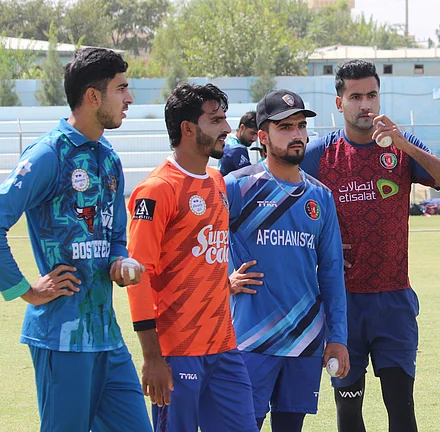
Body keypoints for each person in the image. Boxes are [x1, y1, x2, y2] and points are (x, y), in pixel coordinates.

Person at [300, 59, 440, 432]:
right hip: (341, 305)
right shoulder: (319, 155)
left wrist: (405, 144)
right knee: (348, 414)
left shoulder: (401, 149)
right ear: (338, 102)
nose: (366, 105)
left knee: (402, 412)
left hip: (394, 301)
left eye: (372, 95)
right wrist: (314, 253)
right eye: (356, 96)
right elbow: (284, 200)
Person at [0, 48, 151, 431]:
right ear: (93, 96)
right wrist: (26, 290)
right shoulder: (49, 154)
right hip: (61, 340)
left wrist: (121, 262)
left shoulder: (109, 159)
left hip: (108, 338)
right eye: (122, 89)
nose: (129, 98)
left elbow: (117, 236)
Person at [126, 82, 257, 432]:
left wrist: (221, 284)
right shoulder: (157, 190)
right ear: (188, 128)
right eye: (215, 120)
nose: (227, 128)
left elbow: (197, 254)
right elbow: (138, 278)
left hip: (225, 347)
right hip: (177, 350)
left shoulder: (216, 181)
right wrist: (152, 356)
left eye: (225, 119)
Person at [225, 89, 350, 431]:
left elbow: (332, 273)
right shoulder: (236, 187)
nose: (296, 134)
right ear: (263, 136)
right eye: (285, 127)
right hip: (251, 340)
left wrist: (337, 336)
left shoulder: (320, 197)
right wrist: (223, 280)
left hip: (306, 340)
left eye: (300, 126)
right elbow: (201, 246)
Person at [219, 110, 259, 175]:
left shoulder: (229, 142)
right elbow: (250, 178)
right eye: (252, 133)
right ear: (242, 127)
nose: (255, 139)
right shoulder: (238, 149)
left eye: (257, 135)